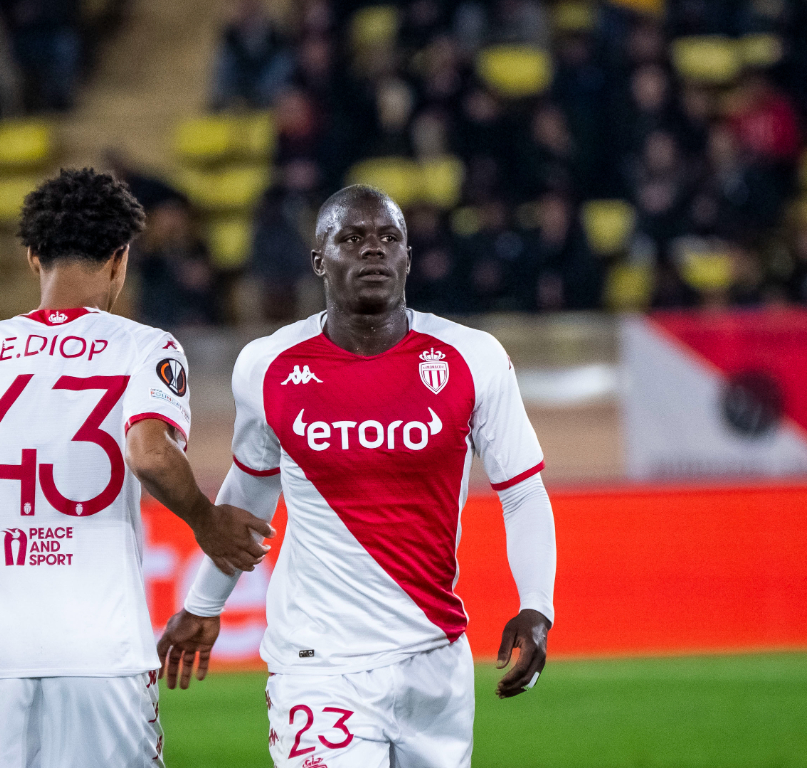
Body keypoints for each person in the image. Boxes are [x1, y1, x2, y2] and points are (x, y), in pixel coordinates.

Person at [0, 169, 274, 768]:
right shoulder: (147, 348)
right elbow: (148, 453)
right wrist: (205, 520)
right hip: (104, 658)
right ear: (120, 258)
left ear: (33, 256)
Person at [158, 185, 557, 767]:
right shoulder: (268, 365)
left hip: (435, 660)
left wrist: (537, 607)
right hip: (318, 664)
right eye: (352, 238)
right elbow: (249, 492)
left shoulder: (473, 358)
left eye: (388, 238)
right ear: (319, 260)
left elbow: (521, 493)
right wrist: (204, 604)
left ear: (408, 258)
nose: (373, 249)